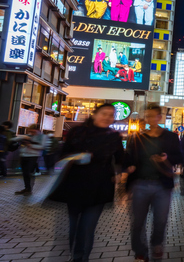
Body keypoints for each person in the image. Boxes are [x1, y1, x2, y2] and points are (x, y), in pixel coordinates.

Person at [49, 104, 124, 262]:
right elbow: (62, 155)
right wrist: (77, 157)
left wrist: (128, 168)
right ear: (94, 114)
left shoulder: (114, 136)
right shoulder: (77, 132)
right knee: (74, 227)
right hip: (75, 185)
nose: (107, 117)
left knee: (87, 228)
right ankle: (75, 256)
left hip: (100, 187)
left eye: (111, 115)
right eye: (104, 113)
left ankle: (81, 259)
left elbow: (121, 158)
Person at [125, 105, 182, 262]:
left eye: (153, 116)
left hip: (162, 185)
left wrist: (166, 159)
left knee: (160, 220)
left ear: (159, 117)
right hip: (140, 184)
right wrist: (129, 167)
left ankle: (157, 244)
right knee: (137, 222)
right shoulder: (138, 137)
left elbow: (179, 157)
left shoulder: (171, 136)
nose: (150, 119)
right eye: (147, 116)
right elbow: (129, 157)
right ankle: (140, 252)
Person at [13, 124, 48, 195]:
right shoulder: (28, 136)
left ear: (38, 130)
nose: (32, 133)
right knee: (25, 173)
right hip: (24, 155)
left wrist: (30, 145)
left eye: (33, 132)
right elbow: (16, 139)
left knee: (29, 172)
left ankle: (29, 189)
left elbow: (42, 147)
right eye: (30, 131)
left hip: (33, 156)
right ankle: (26, 188)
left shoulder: (43, 137)